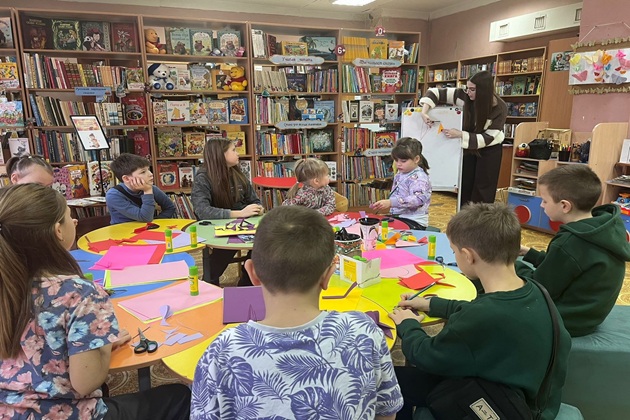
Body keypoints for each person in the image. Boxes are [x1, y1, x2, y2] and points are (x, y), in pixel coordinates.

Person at [191, 206, 404, 419]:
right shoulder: (366, 332)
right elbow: (386, 413)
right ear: (328, 276)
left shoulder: (219, 353)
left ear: (252, 273)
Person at [0, 183, 190, 419]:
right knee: (180, 396)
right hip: (64, 414)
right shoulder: (79, 293)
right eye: (69, 216)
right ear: (58, 231)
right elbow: (86, 383)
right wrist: (103, 345)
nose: (75, 222)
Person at [389, 202, 571, 420]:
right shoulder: (533, 289)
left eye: (454, 251)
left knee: (390, 380)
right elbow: (478, 310)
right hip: (539, 399)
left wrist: (408, 325)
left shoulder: (483, 316)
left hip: (506, 407)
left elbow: (426, 355)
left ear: (468, 255)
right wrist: (432, 304)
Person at [516, 165, 630, 336]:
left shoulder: (570, 242)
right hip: (589, 316)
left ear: (564, 206)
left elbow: (540, 287)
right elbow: (567, 266)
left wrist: (510, 265)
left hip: (566, 320)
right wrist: (529, 253)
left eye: (545, 201)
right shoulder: (602, 228)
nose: (541, 205)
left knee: (501, 296)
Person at [419, 70, 507, 208]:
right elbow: (434, 92)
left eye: (472, 89)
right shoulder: (463, 95)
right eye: (467, 88)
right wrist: (424, 112)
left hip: (489, 149)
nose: (468, 92)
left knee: (483, 189)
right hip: (468, 146)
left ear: (484, 91)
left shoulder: (500, 108)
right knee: (465, 185)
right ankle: (464, 218)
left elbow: (487, 138)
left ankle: (480, 220)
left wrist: (460, 135)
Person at [191, 138, 263, 286]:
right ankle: (209, 284)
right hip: (219, 227)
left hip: (244, 224)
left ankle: (246, 282)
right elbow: (202, 210)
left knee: (263, 244)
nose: (238, 154)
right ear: (220, 154)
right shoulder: (203, 177)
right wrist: (239, 213)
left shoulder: (237, 173)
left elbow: (254, 200)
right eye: (234, 150)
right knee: (226, 249)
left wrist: (257, 207)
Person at [371, 137, 431, 229]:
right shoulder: (401, 173)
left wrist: (391, 202)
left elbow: (419, 199)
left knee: (383, 232)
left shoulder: (420, 178)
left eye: (403, 161)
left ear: (416, 159)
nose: (398, 164)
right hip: (400, 217)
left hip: (414, 221)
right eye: (396, 160)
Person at [106, 153, 176, 224]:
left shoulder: (150, 187)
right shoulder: (113, 195)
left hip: (147, 229)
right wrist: (147, 191)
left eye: (148, 169)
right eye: (143, 172)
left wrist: (157, 222)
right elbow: (145, 218)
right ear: (126, 178)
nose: (151, 174)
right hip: (123, 230)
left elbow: (170, 207)